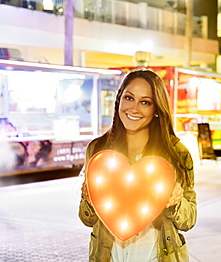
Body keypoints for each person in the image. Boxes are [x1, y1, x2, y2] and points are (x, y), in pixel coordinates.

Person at [78, 69, 197, 262]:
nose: (134, 108)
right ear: (119, 100)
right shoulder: (98, 150)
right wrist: (89, 200)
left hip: (158, 257)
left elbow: (189, 219)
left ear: (156, 109)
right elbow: (87, 220)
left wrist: (175, 202)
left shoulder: (176, 153)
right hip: (108, 256)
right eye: (129, 98)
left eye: (145, 102)